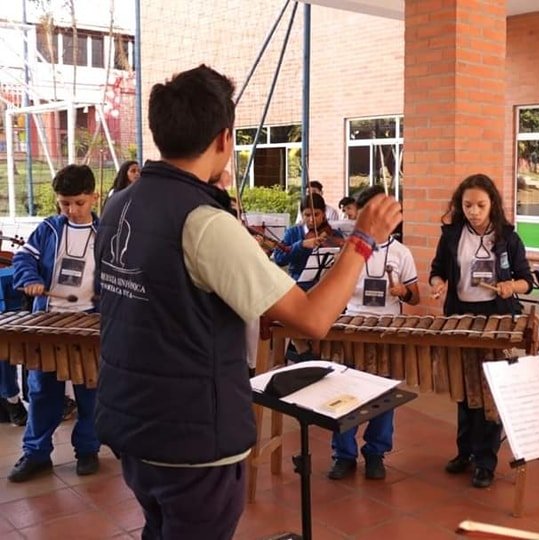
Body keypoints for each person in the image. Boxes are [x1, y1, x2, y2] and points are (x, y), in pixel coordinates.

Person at [93, 64, 401, 538]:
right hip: (193, 438)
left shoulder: (119, 204)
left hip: (133, 423)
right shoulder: (204, 223)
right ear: (223, 138)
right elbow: (314, 319)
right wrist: (363, 240)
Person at [429, 173, 533, 489]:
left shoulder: (507, 239)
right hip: (461, 315)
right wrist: (439, 284)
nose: (474, 211)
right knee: (464, 388)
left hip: (495, 318)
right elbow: (436, 271)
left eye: (481, 205)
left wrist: (509, 286)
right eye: (468, 205)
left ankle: (485, 461)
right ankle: (465, 452)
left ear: (493, 205)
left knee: (488, 391)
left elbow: (527, 280)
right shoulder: (451, 235)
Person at [8, 164, 101, 482]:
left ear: (93, 197)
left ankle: (88, 450)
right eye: (65, 203)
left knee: (91, 392)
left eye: (79, 203)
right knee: (42, 393)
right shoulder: (48, 229)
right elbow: (23, 258)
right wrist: (30, 278)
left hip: (89, 322)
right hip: (47, 321)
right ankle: (36, 454)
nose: (72, 210)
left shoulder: (104, 234)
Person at [327, 186, 419, 481]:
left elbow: (415, 297)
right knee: (346, 393)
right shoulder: (349, 251)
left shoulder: (402, 253)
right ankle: (344, 454)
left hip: (387, 330)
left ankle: (376, 453)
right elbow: (333, 290)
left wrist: (403, 291)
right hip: (352, 327)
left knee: (384, 395)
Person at [273, 193, 344, 291]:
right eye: (307, 215)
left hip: (327, 288)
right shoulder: (293, 232)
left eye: (316, 214)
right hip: (299, 288)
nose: (311, 220)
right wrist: (301, 244)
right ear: (302, 214)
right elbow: (279, 259)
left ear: (324, 213)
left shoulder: (334, 235)